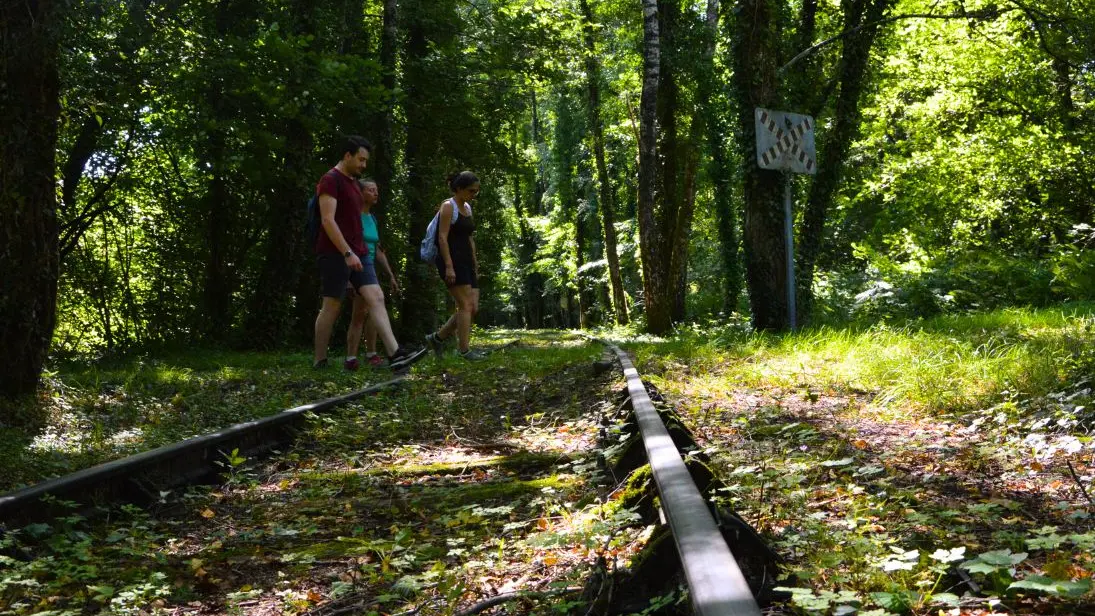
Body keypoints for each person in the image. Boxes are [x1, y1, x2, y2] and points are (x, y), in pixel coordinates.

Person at [313, 136, 426, 371]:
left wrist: (359, 251)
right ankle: (320, 360)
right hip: (335, 252)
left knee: (376, 297)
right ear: (347, 155)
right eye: (360, 159)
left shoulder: (354, 183)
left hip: (360, 252)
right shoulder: (330, 180)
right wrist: (346, 253)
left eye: (366, 161)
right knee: (332, 306)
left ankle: (396, 354)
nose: (364, 165)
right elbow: (327, 220)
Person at [424, 171, 486, 360]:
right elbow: (442, 238)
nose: (474, 194)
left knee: (472, 306)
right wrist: (449, 266)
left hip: (467, 261)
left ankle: (438, 337)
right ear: (459, 189)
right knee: (465, 305)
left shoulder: (467, 207)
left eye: (476, 191)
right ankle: (464, 351)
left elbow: (469, 237)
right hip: (451, 260)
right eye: (471, 190)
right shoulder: (448, 206)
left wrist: (475, 261)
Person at [345, 178, 400, 370]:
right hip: (355, 268)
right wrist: (348, 280)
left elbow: (377, 250)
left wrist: (390, 275)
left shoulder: (372, 218)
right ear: (360, 193)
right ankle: (351, 358)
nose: (375, 193)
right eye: (370, 190)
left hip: (369, 269)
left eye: (376, 190)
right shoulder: (353, 217)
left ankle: (372, 354)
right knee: (359, 314)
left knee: (373, 311)